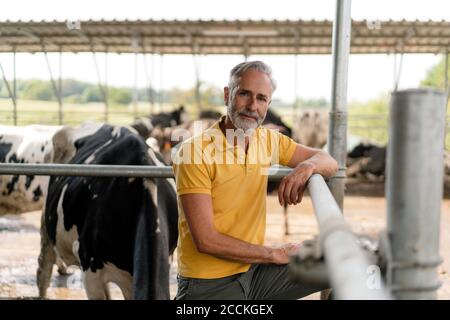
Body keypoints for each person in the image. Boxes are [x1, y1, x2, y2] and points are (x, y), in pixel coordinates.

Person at [172, 61, 338, 300]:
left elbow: (328, 161)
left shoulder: (268, 140)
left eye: (261, 98)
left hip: (253, 271)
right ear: (228, 94)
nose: (252, 106)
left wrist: (306, 166)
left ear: (269, 104)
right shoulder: (195, 152)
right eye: (244, 94)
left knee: (347, 267)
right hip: (209, 284)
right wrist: (273, 254)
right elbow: (206, 240)